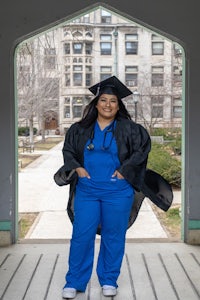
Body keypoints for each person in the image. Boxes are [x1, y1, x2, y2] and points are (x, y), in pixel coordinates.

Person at [61, 76, 151, 299]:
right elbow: (68, 151)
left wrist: (125, 170)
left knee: (113, 236)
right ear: (96, 103)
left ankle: (109, 279)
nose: (108, 105)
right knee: (82, 235)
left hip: (118, 192)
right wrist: (78, 169)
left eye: (113, 101)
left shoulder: (130, 129)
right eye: (103, 100)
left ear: (118, 105)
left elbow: (142, 150)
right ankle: (74, 281)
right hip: (88, 191)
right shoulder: (79, 129)